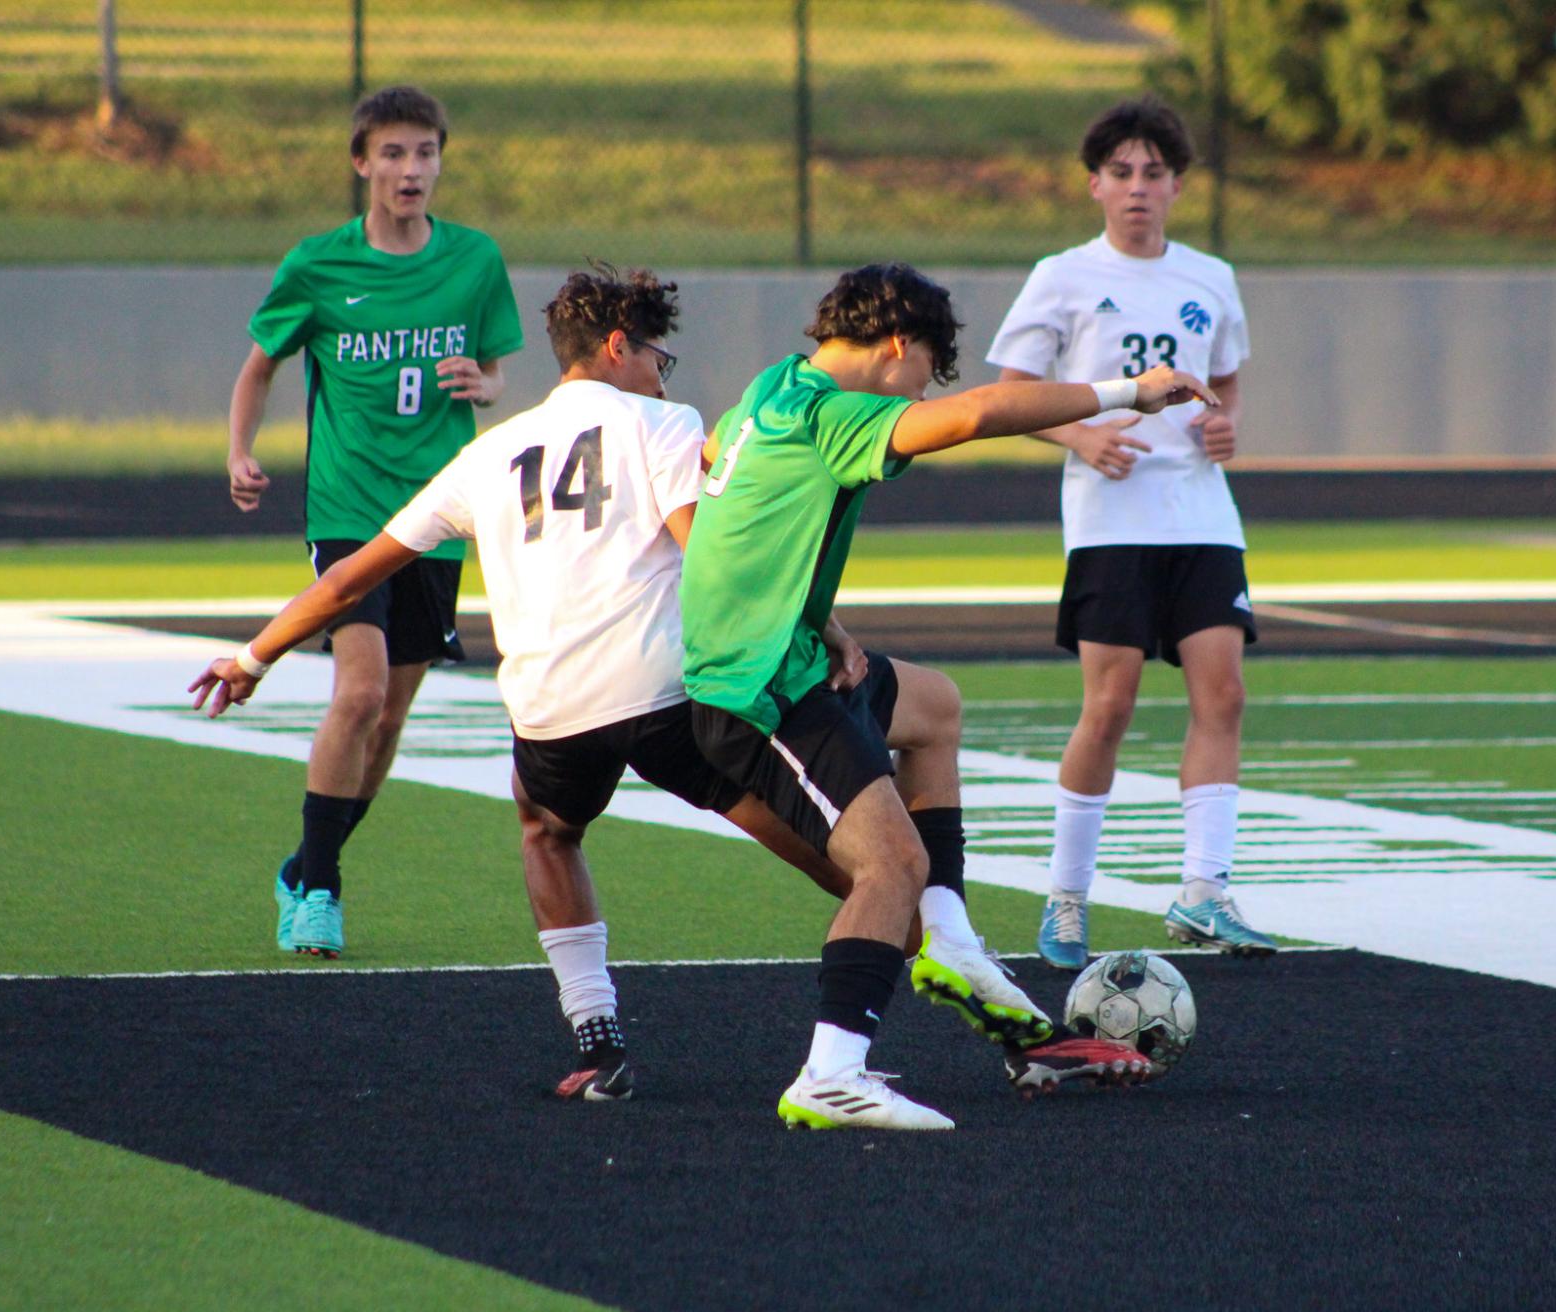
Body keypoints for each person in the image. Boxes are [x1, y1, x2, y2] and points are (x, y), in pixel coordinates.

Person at [197, 266, 863, 1100]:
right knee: (853, 861)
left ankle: (598, 1037)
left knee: (547, 830)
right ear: (620, 347)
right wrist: (826, 628)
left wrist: (250, 659)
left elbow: (343, 585)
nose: (664, 373)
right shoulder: (663, 421)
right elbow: (716, 561)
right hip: (664, 699)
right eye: (660, 354)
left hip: (551, 716)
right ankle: (945, 960)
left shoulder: (484, 454)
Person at [680, 261, 1217, 1130]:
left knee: (932, 707)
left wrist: (825, 619)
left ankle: (953, 941)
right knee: (891, 867)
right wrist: (1129, 390)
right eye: (926, 368)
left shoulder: (771, 389)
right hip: (758, 691)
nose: (924, 391)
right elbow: (975, 416)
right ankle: (829, 1073)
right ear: (897, 346)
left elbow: (729, 486)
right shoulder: (832, 413)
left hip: (791, 657)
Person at [225, 85, 522, 960]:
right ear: (361, 163)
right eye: (392, 154)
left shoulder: (473, 260)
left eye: (425, 153)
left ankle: (305, 860)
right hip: (351, 511)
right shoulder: (318, 266)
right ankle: (320, 889)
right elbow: (258, 368)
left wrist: (485, 384)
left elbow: (499, 373)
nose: (410, 170)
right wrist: (240, 450)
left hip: (440, 512)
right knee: (356, 693)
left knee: (388, 721)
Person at [986, 97, 1277, 970]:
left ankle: (1203, 893)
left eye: (1154, 173)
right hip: (1109, 522)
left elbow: (1222, 381)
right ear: (1094, 185)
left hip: (1198, 511)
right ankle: (1066, 900)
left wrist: (1222, 428)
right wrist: (1077, 434)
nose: (1138, 188)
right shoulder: (1061, 276)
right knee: (1108, 707)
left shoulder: (1210, 277)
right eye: (1122, 173)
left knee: (1221, 695)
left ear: (1178, 185)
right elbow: (1008, 396)